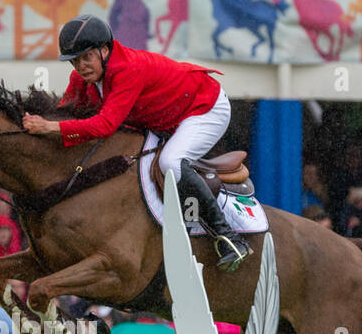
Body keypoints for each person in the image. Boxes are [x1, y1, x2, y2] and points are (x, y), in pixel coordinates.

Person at [21, 14, 249, 270]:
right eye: (75, 60)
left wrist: (50, 127)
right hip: (162, 117)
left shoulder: (127, 69)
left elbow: (105, 125)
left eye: (87, 57)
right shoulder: (81, 80)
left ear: (104, 50)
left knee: (170, 162)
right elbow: (66, 114)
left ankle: (229, 237)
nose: (82, 66)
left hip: (204, 107)